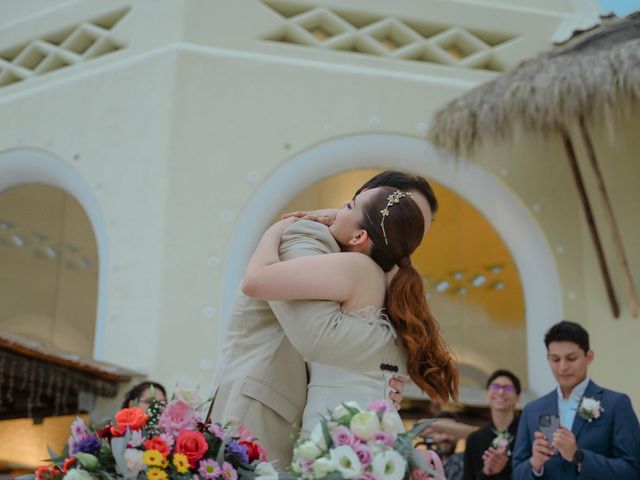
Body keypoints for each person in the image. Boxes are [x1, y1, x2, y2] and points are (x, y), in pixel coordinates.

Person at [210, 171, 442, 466]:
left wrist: (386, 378)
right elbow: (318, 337)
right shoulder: (308, 237)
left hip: (333, 427)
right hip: (264, 411)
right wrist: (390, 358)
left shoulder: (379, 273)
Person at [242, 186, 458, 430]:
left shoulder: (356, 267)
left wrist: (278, 228)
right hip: (367, 424)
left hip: (344, 426)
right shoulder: (386, 278)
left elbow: (255, 281)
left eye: (349, 205)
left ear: (359, 237)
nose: (340, 206)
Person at [512, 321, 640, 479]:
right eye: (555, 359)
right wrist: (534, 464)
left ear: (589, 357)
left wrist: (578, 456)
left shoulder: (616, 404)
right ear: (548, 358)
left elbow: (631, 471)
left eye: (571, 358)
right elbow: (516, 473)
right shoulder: (532, 410)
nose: (563, 367)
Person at [464, 369, 520, 479]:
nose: (500, 392)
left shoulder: (526, 434)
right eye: (495, 387)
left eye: (507, 388)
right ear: (487, 394)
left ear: (517, 397)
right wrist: (486, 472)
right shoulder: (474, 439)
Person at [424, 412, 465, 480]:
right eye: (440, 431)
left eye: (451, 431)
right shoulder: (422, 463)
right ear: (432, 434)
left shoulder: (466, 463)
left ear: (458, 435)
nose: (445, 437)